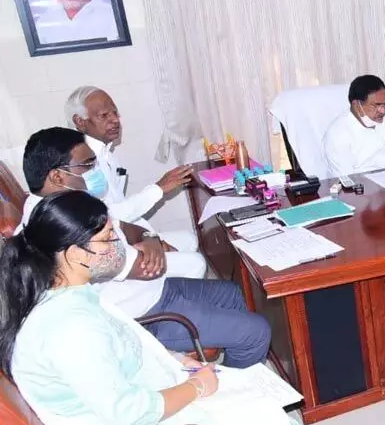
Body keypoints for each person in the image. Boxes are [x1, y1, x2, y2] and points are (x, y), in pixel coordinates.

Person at [1, 192, 309, 425]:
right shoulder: (69, 327)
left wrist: (175, 360)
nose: (119, 246)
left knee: (253, 406)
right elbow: (127, 412)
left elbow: (120, 345)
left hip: (133, 412)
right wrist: (196, 388)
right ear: (74, 254)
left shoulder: (69, 293)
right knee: (255, 424)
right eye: (108, 239)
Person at [19, 128, 270, 368]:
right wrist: (149, 249)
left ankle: (233, 366)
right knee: (256, 332)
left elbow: (127, 228)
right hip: (144, 317)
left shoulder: (71, 203)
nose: (94, 171)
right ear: (57, 176)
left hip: (153, 291)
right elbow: (144, 268)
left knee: (232, 294)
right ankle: (237, 390)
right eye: (87, 165)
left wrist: (149, 237)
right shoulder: (54, 225)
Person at [66, 86, 199, 261]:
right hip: (108, 250)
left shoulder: (106, 154)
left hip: (124, 234)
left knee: (189, 240)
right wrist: (158, 189)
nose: (115, 120)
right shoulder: (80, 165)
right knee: (196, 262)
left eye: (115, 113)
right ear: (80, 121)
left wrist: (151, 237)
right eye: (104, 115)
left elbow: (122, 210)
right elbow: (106, 219)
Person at [321, 75, 385, 178]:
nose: (383, 111)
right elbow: (347, 180)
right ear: (356, 106)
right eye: (376, 106)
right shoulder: (337, 134)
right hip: (362, 188)